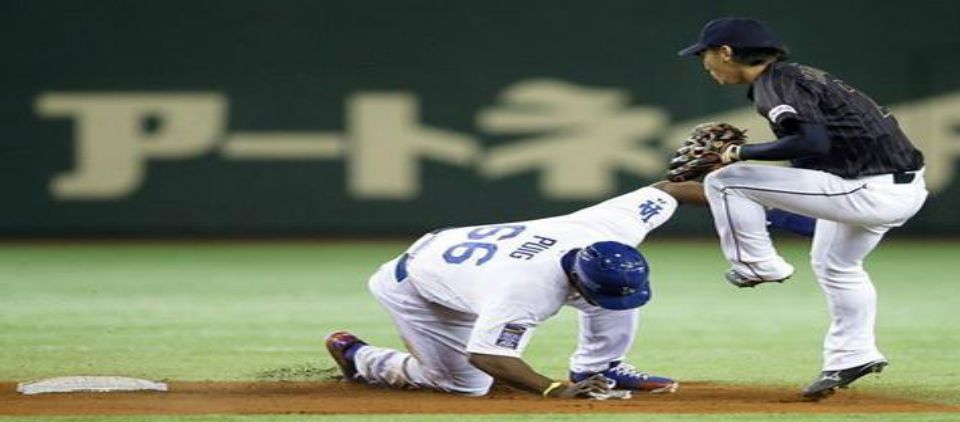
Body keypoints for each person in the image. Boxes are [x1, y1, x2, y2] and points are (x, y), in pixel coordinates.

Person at [677, 17, 928, 398]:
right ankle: (853, 355)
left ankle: (756, 265)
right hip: (891, 185)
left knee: (725, 179)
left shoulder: (776, 83)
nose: (705, 63)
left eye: (706, 54)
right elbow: (814, 155)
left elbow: (812, 142)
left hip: (867, 188)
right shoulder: (793, 77)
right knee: (836, 265)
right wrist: (775, 209)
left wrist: (736, 152)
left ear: (726, 52)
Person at [325, 182, 702, 398]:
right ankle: (361, 358)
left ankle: (601, 367)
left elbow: (671, 189)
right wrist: (553, 389)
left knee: (616, 294)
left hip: (471, 262)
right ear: (575, 279)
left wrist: (753, 205)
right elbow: (488, 355)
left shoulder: (612, 228)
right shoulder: (525, 291)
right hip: (419, 284)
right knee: (466, 385)